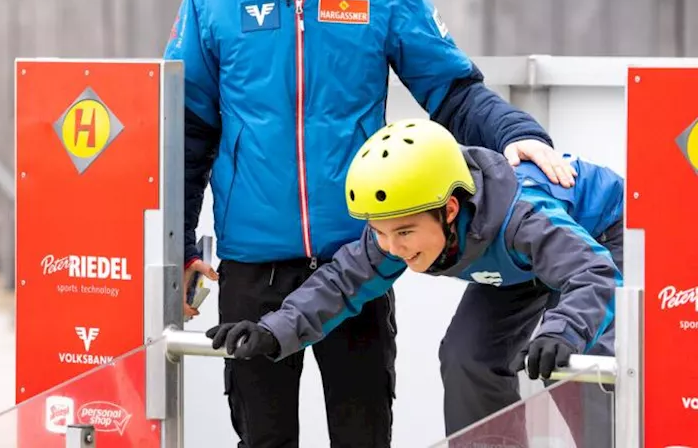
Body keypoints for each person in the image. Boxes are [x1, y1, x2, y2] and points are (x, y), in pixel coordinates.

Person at [164, 0, 577, 447]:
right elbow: (188, 133)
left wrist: (518, 132)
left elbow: (453, 91)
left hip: (359, 257)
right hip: (251, 261)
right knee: (262, 440)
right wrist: (183, 246)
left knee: (362, 434)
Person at [206, 118, 622, 445]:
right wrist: (270, 331)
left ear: (451, 209)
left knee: (587, 370)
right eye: (380, 232)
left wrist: (564, 329)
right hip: (519, 267)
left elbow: (591, 272)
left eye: (404, 233)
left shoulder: (523, 218)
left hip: (603, 242)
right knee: (466, 358)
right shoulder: (399, 228)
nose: (393, 248)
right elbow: (340, 283)